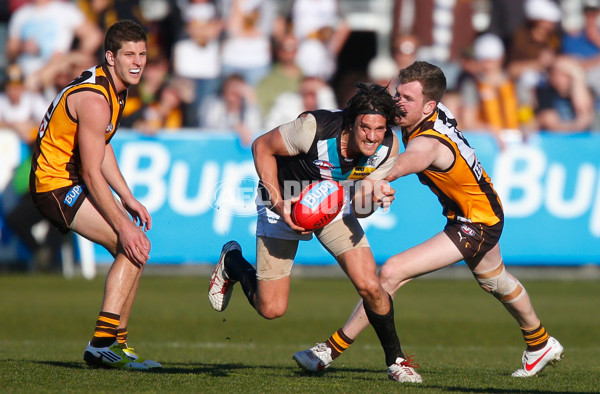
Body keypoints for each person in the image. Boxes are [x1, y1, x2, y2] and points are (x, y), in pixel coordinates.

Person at [293, 61, 564, 380]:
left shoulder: (429, 142)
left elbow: (409, 159)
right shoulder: (430, 111)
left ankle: (327, 352)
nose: (398, 102)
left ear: (430, 105)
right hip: (480, 209)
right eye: (399, 94)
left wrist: (378, 178)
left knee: (392, 271)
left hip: (475, 222)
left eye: (408, 98)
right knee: (495, 280)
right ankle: (540, 343)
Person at [208, 83, 424, 383]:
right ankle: (232, 261)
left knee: (371, 287)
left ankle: (396, 361)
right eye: (365, 128)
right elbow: (261, 146)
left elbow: (360, 208)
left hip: (333, 204)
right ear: (351, 123)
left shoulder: (388, 146)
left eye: (379, 128)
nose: (372, 136)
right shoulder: (313, 129)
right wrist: (280, 203)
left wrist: (375, 196)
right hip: (285, 199)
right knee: (271, 308)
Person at [29, 20, 160, 371]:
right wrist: (124, 224)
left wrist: (127, 197)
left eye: (143, 54)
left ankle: (116, 342)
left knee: (135, 248)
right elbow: (90, 171)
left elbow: (101, 146)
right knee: (131, 245)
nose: (138, 62)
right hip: (54, 184)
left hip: (68, 179)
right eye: (129, 54)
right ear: (110, 57)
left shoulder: (114, 86)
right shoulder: (96, 99)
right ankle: (102, 344)